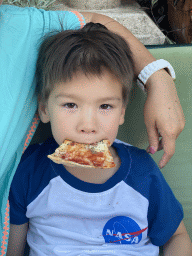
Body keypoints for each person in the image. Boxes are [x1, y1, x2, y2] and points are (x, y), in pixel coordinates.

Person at [0, 2, 185, 253]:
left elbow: (177, 236)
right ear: (43, 108)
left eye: (105, 107)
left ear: (122, 111)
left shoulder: (143, 174)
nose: (88, 126)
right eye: (70, 105)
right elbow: (12, 248)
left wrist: (157, 78)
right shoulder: (29, 174)